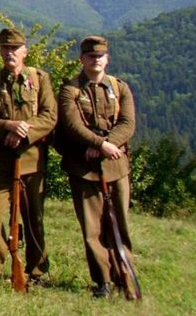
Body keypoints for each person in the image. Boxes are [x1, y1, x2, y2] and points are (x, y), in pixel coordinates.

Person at [57, 36, 137, 298]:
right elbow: (71, 125)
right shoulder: (70, 90)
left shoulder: (119, 87)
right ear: (82, 59)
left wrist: (107, 144)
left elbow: (127, 123)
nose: (96, 60)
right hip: (85, 168)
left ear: (107, 58)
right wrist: (99, 144)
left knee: (120, 224)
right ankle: (102, 280)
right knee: (92, 229)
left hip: (116, 166)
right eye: (91, 56)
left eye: (100, 55)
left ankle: (125, 273)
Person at [0, 27, 56, 284]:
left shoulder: (41, 79)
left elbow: (50, 116)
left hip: (32, 160)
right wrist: (8, 127)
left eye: (15, 48)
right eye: (5, 48)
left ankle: (37, 270)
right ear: (0, 51)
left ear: (25, 51)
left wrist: (24, 132)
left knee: (34, 219)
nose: (10, 53)